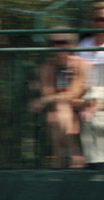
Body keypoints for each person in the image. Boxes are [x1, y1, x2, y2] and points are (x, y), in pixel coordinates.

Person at [31, 29, 88, 168]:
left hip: (79, 105)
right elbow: (47, 91)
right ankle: (74, 155)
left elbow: (75, 92)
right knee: (58, 114)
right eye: (56, 43)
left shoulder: (81, 64)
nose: (60, 46)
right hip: (59, 109)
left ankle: (60, 160)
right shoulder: (47, 67)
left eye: (64, 42)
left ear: (72, 45)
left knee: (58, 114)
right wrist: (50, 99)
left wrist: (47, 100)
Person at [77, 1, 104, 169]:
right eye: (101, 20)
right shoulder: (82, 45)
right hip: (79, 91)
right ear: (93, 21)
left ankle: (97, 167)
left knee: (93, 113)